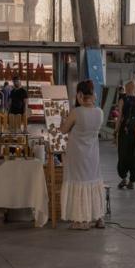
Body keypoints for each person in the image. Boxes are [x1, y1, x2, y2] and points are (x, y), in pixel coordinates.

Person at [60, 80, 105, 230]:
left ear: (80, 95)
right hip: (92, 154)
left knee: (78, 182)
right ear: (93, 94)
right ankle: (98, 216)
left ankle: (81, 220)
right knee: (92, 181)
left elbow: (64, 130)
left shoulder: (76, 112)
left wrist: (61, 118)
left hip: (77, 154)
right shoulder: (99, 112)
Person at [115, 81, 135, 189]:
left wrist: (116, 130)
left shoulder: (129, 100)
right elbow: (120, 116)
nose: (130, 88)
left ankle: (127, 180)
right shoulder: (133, 100)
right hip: (131, 131)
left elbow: (120, 117)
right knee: (129, 154)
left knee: (129, 154)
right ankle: (128, 179)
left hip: (130, 132)